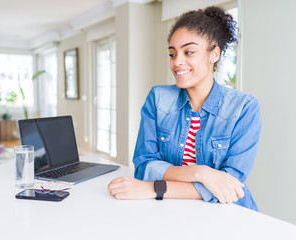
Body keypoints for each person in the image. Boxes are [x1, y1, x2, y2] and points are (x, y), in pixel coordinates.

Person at [108, 6, 261, 211]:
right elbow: (144, 164)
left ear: (213, 54)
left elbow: (230, 186)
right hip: (169, 211)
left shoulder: (244, 107)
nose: (177, 62)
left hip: (228, 213)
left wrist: (154, 188)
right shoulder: (158, 98)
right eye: (172, 54)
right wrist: (202, 173)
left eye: (189, 52)